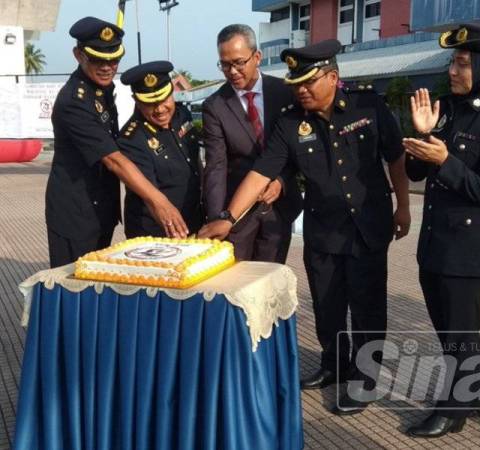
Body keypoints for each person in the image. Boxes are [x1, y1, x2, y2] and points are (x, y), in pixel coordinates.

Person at [199, 39, 411, 415]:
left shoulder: (369, 105)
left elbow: (395, 158)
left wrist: (404, 207)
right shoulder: (291, 122)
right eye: (296, 83)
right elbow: (261, 171)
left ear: (333, 76)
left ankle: (364, 378)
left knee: (367, 306)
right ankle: (333, 364)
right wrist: (227, 218)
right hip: (323, 229)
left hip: (368, 227)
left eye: (309, 82)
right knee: (328, 305)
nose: (301, 90)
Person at [401, 20, 480, 438]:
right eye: (453, 61)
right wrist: (423, 135)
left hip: (469, 248)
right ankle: (479, 393)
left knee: (458, 332)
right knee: (452, 329)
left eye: (464, 63)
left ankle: (453, 410)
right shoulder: (445, 108)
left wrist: (444, 161)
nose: (453, 71)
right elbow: (417, 172)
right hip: (435, 242)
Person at [46, 17, 188, 268]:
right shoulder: (74, 101)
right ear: (79, 55)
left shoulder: (100, 89)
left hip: (101, 209)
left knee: (98, 285)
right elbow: (114, 159)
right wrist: (160, 201)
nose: (107, 66)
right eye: (98, 59)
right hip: (75, 213)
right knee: (75, 288)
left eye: (114, 59)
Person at [202, 24, 303, 263]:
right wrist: (218, 217)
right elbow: (216, 166)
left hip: (278, 207)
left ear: (257, 57)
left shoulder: (286, 92)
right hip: (238, 214)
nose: (232, 71)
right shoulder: (215, 106)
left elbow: (298, 148)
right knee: (236, 284)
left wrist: (281, 180)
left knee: (270, 281)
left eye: (239, 62)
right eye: (224, 65)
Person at [117, 61, 203, 238]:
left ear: (172, 91)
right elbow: (150, 195)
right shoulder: (131, 139)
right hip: (156, 234)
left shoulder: (182, 115)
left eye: (164, 100)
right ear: (137, 101)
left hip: (193, 222)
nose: (160, 109)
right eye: (151, 103)